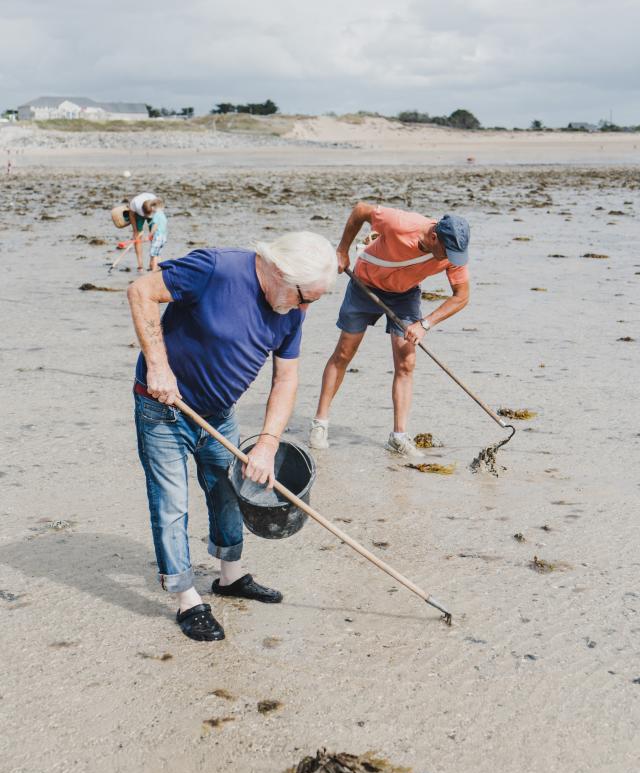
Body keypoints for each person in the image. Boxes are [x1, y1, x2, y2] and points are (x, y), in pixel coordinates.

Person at [128, 232, 337, 643]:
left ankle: (230, 576)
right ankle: (187, 599)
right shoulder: (216, 268)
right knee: (171, 505)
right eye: (304, 297)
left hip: (219, 415)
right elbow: (141, 291)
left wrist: (268, 442)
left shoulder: (291, 310)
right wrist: (158, 366)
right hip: (163, 409)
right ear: (279, 271)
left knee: (227, 493)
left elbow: (287, 377)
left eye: (313, 300)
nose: (306, 308)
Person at [308, 203, 470, 462]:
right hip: (365, 284)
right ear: (434, 237)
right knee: (344, 353)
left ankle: (398, 437)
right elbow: (361, 210)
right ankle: (320, 423)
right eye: (447, 251)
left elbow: (462, 296)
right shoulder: (401, 223)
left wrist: (424, 324)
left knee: (406, 362)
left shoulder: (452, 255)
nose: (450, 258)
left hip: (404, 296)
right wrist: (342, 251)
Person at [128, 191, 157, 273]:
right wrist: (135, 231)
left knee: (155, 237)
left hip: (153, 215)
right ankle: (140, 265)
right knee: (137, 238)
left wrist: (151, 235)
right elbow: (131, 215)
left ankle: (152, 261)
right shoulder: (135, 203)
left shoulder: (156, 207)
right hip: (138, 214)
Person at [147, 198, 168, 271]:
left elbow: (155, 226)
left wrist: (150, 234)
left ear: (153, 207)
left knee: (154, 254)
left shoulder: (156, 215)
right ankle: (161, 268)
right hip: (163, 237)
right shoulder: (163, 215)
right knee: (158, 253)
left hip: (158, 236)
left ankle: (154, 270)